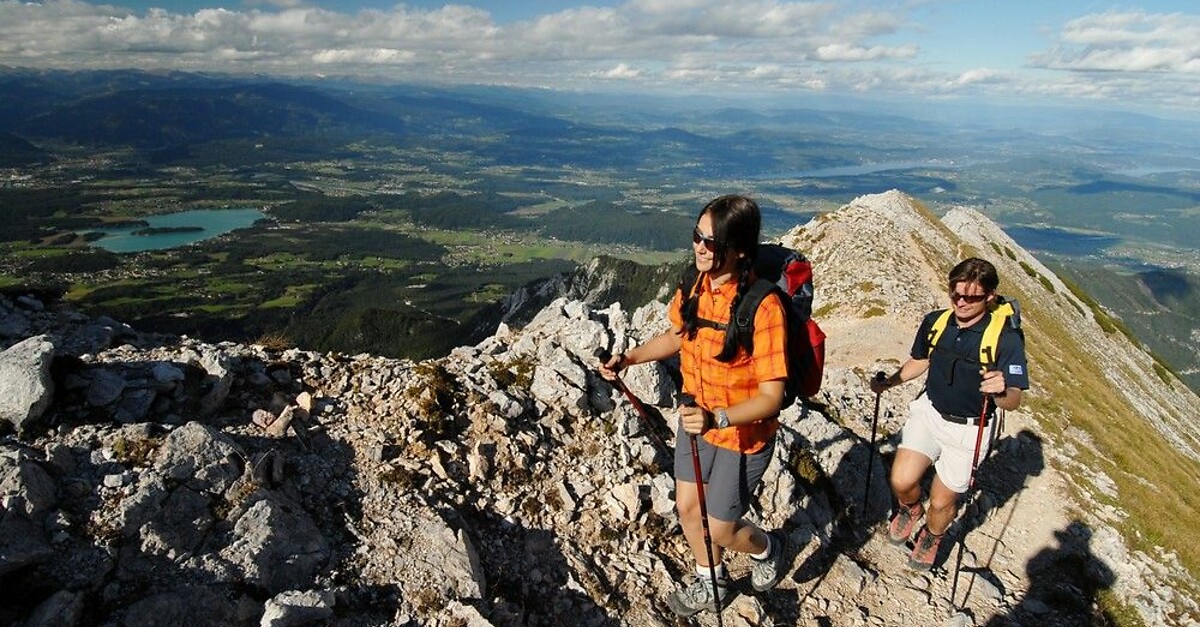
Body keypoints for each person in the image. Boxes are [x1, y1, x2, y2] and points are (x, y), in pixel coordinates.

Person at [598, 194, 789, 616]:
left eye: (713, 241)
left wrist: (715, 417)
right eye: (698, 236)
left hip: (743, 434)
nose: (701, 247)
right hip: (696, 419)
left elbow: (772, 397)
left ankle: (767, 547)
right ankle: (712, 581)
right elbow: (677, 337)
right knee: (688, 508)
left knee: (721, 527)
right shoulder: (694, 285)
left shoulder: (763, 307)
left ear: (739, 249)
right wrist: (628, 358)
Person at [870, 257, 1029, 570]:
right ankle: (910, 509)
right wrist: (888, 383)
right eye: (955, 295)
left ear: (990, 296)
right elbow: (920, 360)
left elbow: (1013, 400)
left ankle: (931, 534)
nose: (961, 303)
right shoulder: (936, 322)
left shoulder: (1005, 338)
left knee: (942, 502)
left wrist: (1000, 390)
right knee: (902, 481)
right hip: (929, 412)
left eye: (970, 297)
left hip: (970, 429)